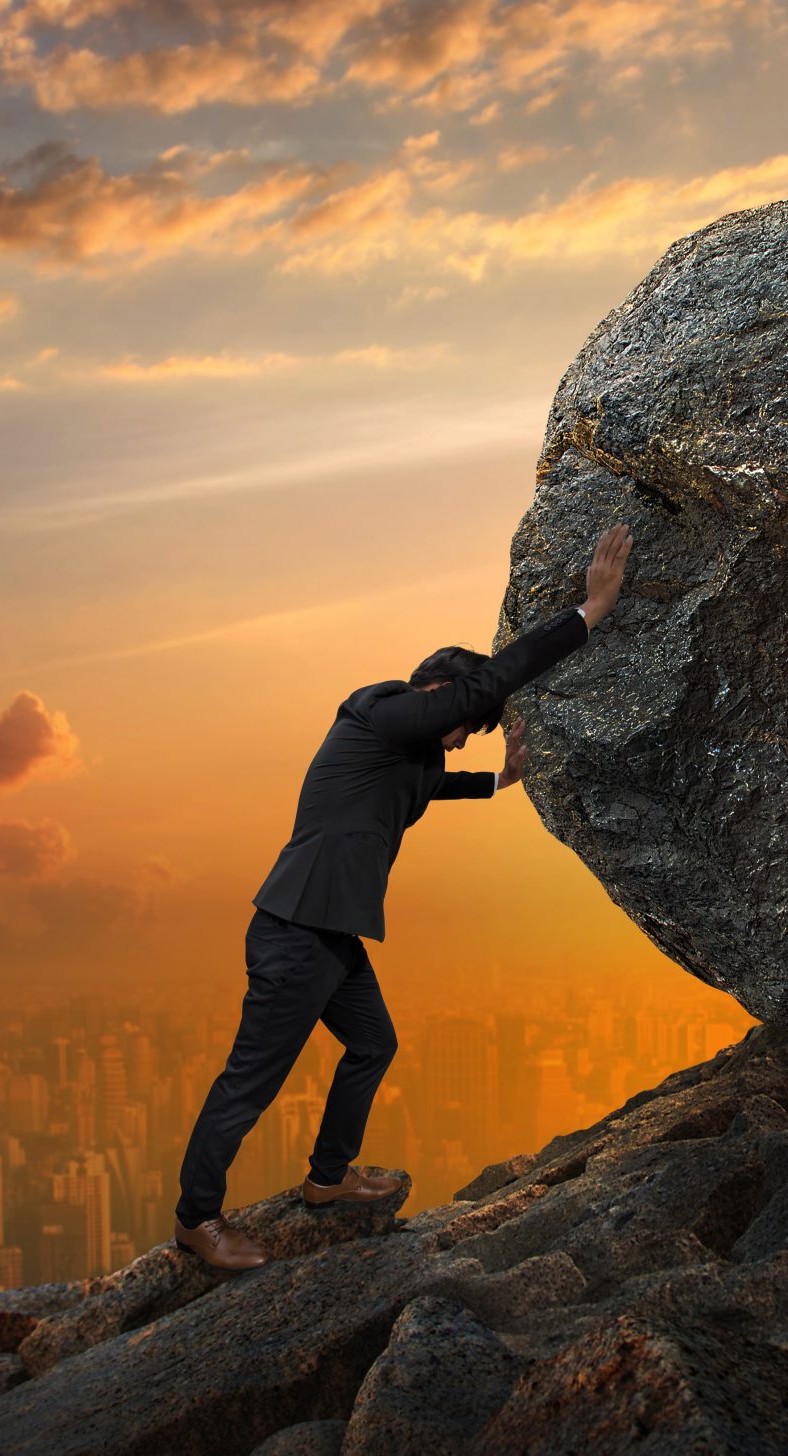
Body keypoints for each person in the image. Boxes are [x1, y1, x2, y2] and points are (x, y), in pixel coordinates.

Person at [170, 522, 636, 1270]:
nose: (459, 740)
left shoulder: (404, 757)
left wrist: (495, 781)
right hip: (296, 932)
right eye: (462, 726)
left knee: (373, 1042)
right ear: (436, 694)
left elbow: (427, 787)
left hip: (330, 936)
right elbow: (488, 684)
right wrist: (590, 611)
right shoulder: (378, 711)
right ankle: (197, 1220)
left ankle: (327, 1179)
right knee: (250, 1084)